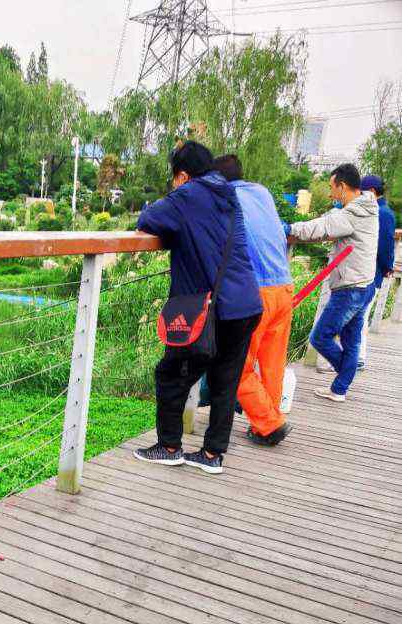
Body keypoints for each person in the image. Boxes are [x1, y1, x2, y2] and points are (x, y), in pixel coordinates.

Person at [134, 141, 262, 475]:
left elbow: (147, 218)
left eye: (175, 177)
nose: (174, 184)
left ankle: (170, 446)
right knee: (225, 380)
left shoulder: (188, 195)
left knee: (171, 373)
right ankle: (211, 455)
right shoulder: (227, 192)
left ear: (183, 175)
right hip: (246, 303)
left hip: (211, 308)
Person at [213, 154, 294, 447]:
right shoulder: (262, 193)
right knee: (272, 363)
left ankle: (270, 424)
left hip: (255, 293)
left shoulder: (224, 197)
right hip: (284, 287)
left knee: (236, 365)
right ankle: (264, 423)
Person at [287, 163, 378, 402]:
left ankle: (344, 377)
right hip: (365, 284)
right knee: (351, 340)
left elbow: (322, 227)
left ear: (343, 186)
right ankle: (339, 389)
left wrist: (288, 228)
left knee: (320, 337)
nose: (330, 193)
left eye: (332, 188)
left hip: (350, 287)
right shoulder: (369, 207)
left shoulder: (353, 214)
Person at [357, 174, 396, 370]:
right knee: (358, 315)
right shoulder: (381, 211)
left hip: (371, 272)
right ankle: (356, 357)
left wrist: (387, 266)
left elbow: (386, 245)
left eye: (361, 191)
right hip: (370, 271)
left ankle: (358, 358)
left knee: (360, 316)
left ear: (371, 191)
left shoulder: (382, 213)